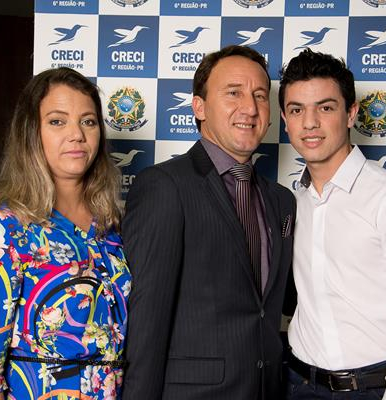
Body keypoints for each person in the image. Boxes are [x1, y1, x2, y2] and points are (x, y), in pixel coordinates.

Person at [0, 67, 131, 400]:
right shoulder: (1, 229)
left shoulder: (112, 227)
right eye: (57, 121)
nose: (77, 134)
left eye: (88, 121)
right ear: (31, 133)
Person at [121, 45, 296, 400]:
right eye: (234, 93)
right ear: (199, 107)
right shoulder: (165, 186)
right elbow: (146, 321)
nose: (250, 108)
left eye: (260, 95)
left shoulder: (282, 200)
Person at [279, 48, 386, 400]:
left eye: (325, 108)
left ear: (351, 113)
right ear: (285, 119)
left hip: (371, 389)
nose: (309, 123)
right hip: (298, 383)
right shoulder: (293, 203)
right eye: (297, 110)